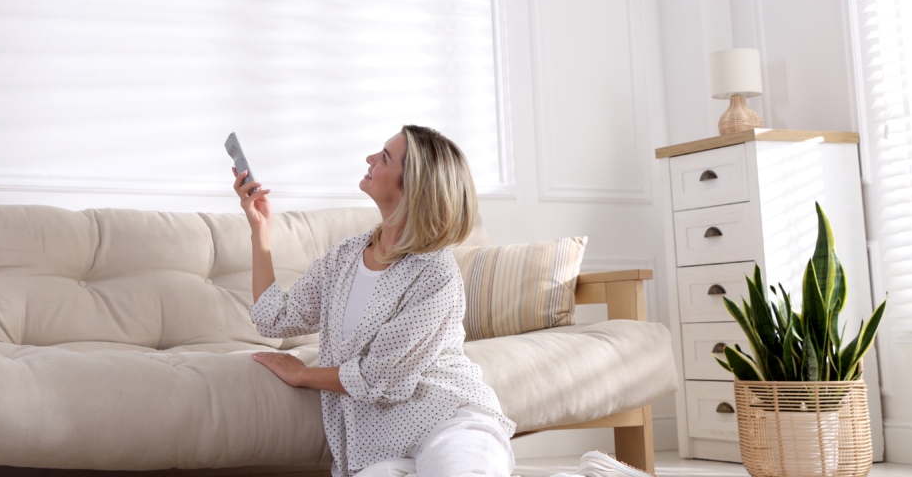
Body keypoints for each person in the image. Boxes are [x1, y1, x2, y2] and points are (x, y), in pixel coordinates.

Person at [235, 125, 651, 477]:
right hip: (377, 447)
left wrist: (304, 374)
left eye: (383, 157)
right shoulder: (344, 257)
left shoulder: (435, 273)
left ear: (412, 185)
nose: (369, 159)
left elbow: (381, 377)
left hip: (449, 419)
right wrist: (261, 232)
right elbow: (275, 318)